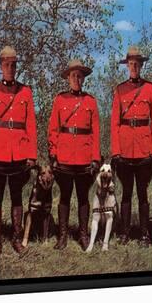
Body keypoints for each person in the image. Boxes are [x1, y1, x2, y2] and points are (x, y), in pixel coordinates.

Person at [0, 46, 38, 256]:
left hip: (19, 153)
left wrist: (32, 154)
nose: (10, 68)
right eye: (6, 64)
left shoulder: (26, 92)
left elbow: (31, 124)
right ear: (1, 65)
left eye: (13, 65)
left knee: (16, 196)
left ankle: (16, 238)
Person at [48, 59, 100, 251]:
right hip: (65, 156)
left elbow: (95, 131)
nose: (76, 79)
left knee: (83, 197)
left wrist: (95, 158)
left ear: (83, 79)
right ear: (68, 78)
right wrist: (53, 154)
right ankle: (62, 237)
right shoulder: (59, 100)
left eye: (80, 76)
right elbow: (53, 129)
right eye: (73, 76)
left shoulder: (91, 101)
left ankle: (83, 235)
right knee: (64, 196)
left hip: (85, 157)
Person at [111, 46, 152, 247]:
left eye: (136, 64)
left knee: (142, 193)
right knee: (126, 193)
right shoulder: (120, 89)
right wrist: (115, 151)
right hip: (124, 148)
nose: (134, 67)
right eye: (130, 64)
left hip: (143, 148)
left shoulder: (150, 88)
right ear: (127, 66)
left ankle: (144, 235)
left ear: (141, 65)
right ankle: (124, 233)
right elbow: (114, 122)